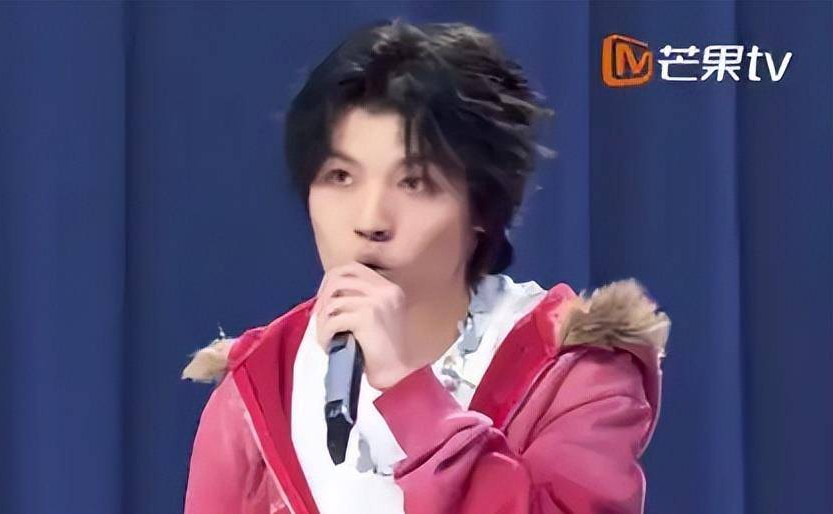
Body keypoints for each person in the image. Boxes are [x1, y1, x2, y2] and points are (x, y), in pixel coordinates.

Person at [180, 19, 671, 514]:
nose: (370, 221)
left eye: (413, 183)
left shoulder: (572, 370)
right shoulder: (260, 385)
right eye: (340, 176)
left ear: (481, 206)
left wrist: (406, 388)